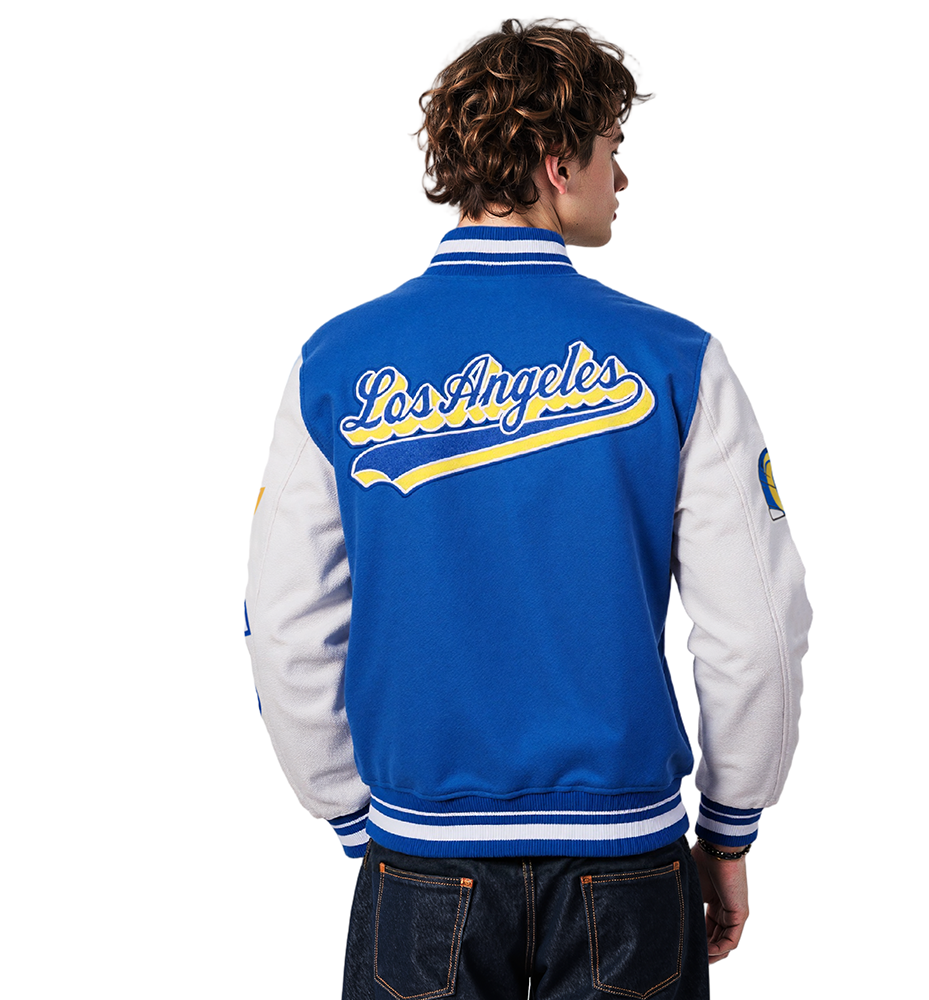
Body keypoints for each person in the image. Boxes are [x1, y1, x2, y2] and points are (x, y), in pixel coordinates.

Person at [245, 18, 810, 999]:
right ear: (558, 163)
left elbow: (284, 623)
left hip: (420, 857)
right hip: (627, 865)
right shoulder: (676, 360)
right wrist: (729, 828)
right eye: (610, 151)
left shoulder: (334, 364)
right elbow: (758, 629)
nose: (620, 178)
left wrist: (350, 814)